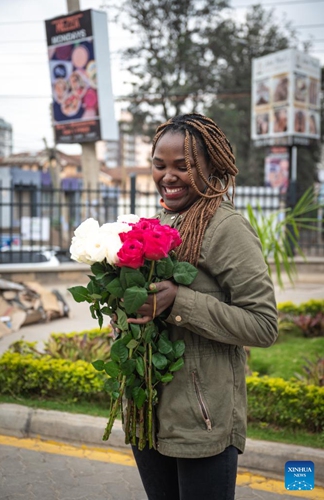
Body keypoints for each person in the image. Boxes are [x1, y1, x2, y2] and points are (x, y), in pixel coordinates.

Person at [124, 113, 278, 500]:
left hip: (202, 423)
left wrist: (180, 302)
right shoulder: (158, 223)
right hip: (149, 415)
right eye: (160, 165)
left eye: (184, 166)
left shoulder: (227, 229)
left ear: (211, 168)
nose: (168, 176)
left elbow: (263, 325)